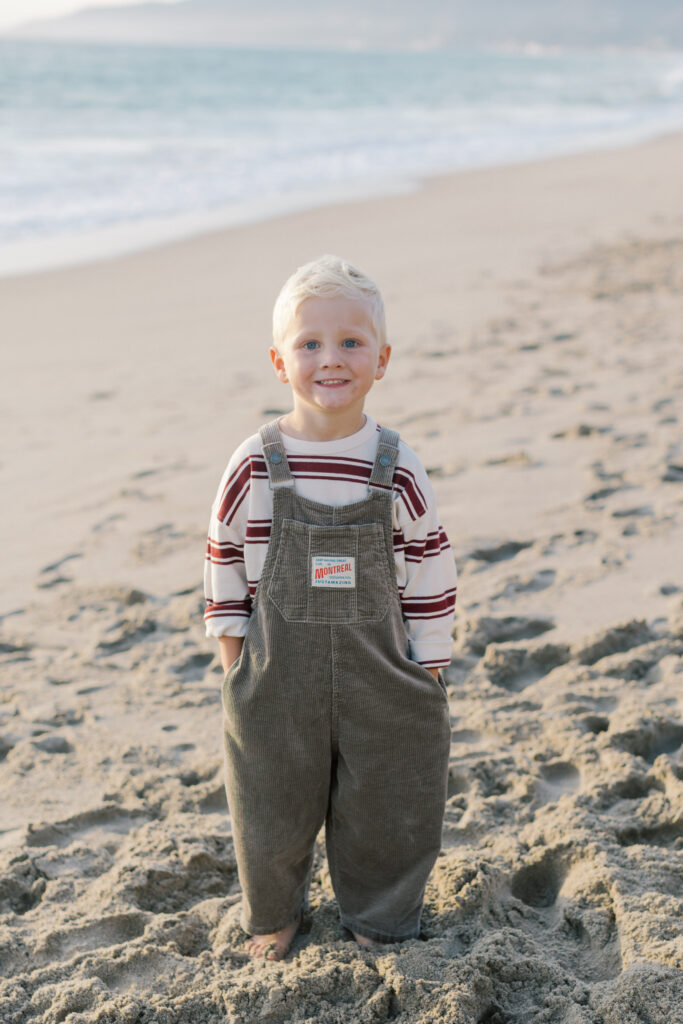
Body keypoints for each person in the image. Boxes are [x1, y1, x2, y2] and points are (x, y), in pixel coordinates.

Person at [204, 254, 457, 960]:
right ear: (279, 362)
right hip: (276, 667)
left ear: (381, 358)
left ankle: (378, 918)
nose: (330, 359)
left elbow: (429, 562)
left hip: (384, 671)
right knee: (269, 800)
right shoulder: (255, 463)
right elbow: (222, 554)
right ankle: (273, 914)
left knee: (390, 801)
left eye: (350, 342)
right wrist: (232, 654)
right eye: (309, 343)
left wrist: (429, 665)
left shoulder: (396, 463)